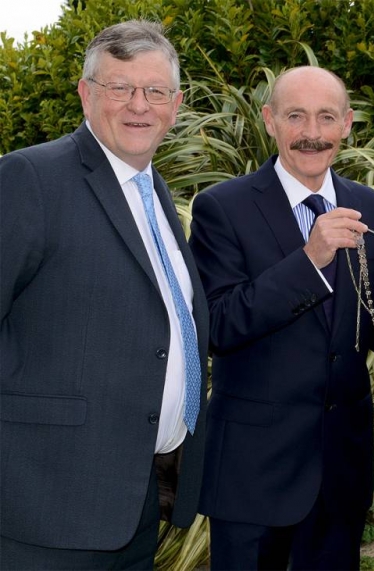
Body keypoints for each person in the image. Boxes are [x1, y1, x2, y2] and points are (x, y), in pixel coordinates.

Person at [189, 65, 374, 570]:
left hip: (341, 468)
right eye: (296, 116)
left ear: (347, 124)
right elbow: (219, 325)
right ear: (270, 120)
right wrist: (308, 260)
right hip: (253, 473)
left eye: (326, 117)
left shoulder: (372, 207)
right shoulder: (221, 208)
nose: (312, 134)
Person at [0, 20, 208, 570]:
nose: (139, 105)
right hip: (42, 508)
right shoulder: (29, 178)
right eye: (120, 88)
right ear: (87, 94)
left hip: (133, 501)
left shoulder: (154, 189)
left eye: (155, 91)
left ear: (176, 103)